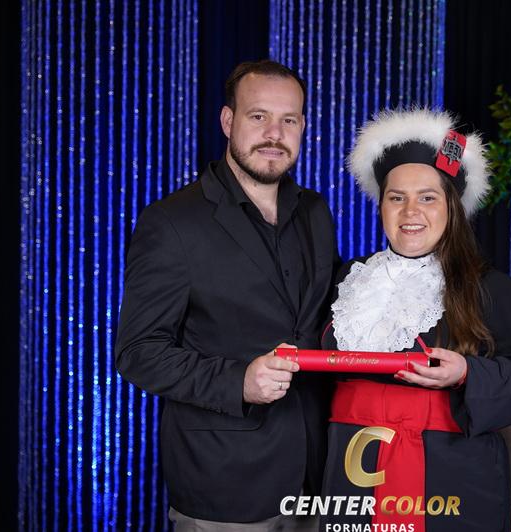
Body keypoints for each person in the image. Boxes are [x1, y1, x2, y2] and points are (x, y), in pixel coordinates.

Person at [115, 60, 339, 531]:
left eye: (289, 120)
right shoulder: (172, 222)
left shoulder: (316, 211)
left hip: (317, 480)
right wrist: (239, 382)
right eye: (259, 116)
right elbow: (138, 352)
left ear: (303, 126)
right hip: (225, 484)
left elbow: (328, 316)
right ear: (227, 120)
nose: (274, 134)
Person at [319, 109, 511, 532]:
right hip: (351, 470)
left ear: (452, 206)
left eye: (427, 197)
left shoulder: (491, 288)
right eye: (397, 197)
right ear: (382, 205)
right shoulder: (348, 279)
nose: (410, 211)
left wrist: (469, 372)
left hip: (452, 482)